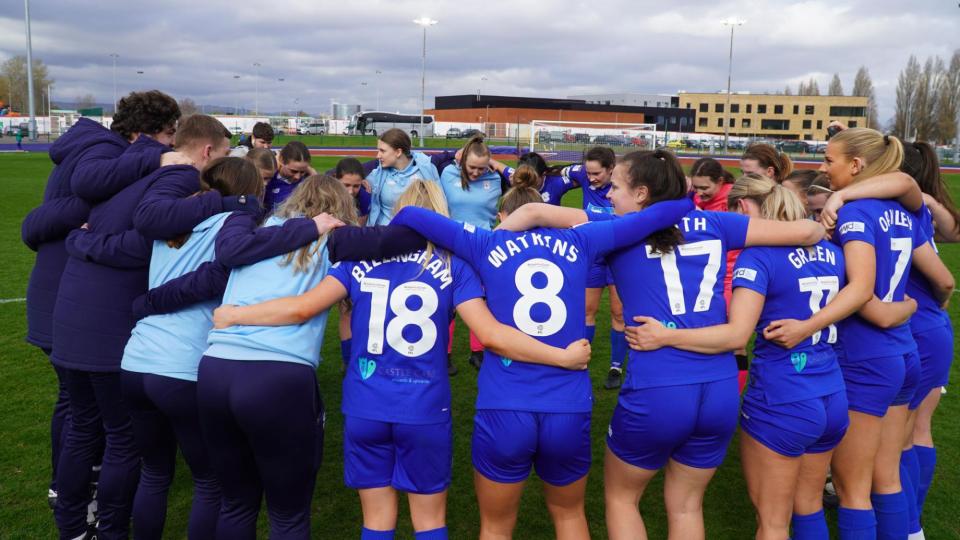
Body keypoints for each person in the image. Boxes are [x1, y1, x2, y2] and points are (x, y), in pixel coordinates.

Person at [212, 180, 592, 540]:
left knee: (376, 518)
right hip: (423, 408)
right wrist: (562, 356)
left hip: (366, 406)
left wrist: (235, 314)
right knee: (429, 519)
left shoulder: (357, 261)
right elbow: (490, 335)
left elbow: (300, 309)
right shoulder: (455, 266)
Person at [496, 150, 824, 540]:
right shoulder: (718, 222)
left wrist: (493, 242)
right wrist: (831, 209)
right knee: (687, 505)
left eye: (616, 187)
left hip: (659, 385)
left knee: (622, 498)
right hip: (719, 388)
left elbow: (536, 214)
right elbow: (807, 232)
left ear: (641, 193)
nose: (610, 195)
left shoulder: (620, 226)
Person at [388, 154, 697, 539]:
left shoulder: (484, 242)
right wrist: (687, 199)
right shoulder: (582, 239)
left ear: (504, 214)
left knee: (497, 528)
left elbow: (410, 217)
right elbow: (651, 219)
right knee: (569, 517)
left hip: (506, 401)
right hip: (567, 403)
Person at [50, 111, 240, 540]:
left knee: (86, 426)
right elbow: (147, 240)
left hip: (75, 314)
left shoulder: (126, 172)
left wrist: (81, 240)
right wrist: (230, 201)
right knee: (122, 440)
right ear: (207, 151)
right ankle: (111, 531)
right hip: (111, 323)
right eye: (226, 152)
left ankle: (73, 526)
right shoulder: (182, 180)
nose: (228, 161)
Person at [628, 173, 850, 540]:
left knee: (774, 522)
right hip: (831, 390)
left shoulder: (759, 256)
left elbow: (736, 336)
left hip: (784, 396)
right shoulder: (832, 250)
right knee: (808, 505)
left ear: (743, 209)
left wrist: (665, 335)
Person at [20, 89, 187, 521]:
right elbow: (85, 190)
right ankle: (78, 493)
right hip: (73, 297)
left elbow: (52, 215)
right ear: (144, 133)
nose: (171, 145)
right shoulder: (101, 151)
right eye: (168, 134)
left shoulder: (103, 153)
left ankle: (71, 492)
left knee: (78, 408)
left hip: (64, 295)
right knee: (89, 414)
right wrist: (153, 161)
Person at [771, 128, 929, 539]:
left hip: (866, 356)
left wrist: (807, 325)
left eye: (829, 161)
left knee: (852, 489)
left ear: (856, 165)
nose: (822, 168)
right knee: (886, 475)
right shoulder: (899, 204)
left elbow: (863, 294)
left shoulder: (856, 213)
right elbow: (908, 183)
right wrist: (907, 307)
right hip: (901, 352)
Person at [119, 157, 273, 539]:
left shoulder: (174, 222)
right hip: (181, 365)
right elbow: (219, 276)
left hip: (136, 359)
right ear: (249, 190)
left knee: (154, 472)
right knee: (211, 482)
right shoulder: (232, 224)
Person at [197, 175, 355, 539]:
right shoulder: (333, 240)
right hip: (276, 374)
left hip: (216, 368)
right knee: (288, 513)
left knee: (236, 502)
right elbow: (317, 309)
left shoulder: (260, 231)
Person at [900, 142, 958, 527]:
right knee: (918, 430)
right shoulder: (924, 208)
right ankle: (912, 522)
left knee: (899, 439)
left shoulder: (905, 208)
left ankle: (907, 524)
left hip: (911, 329)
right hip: (933, 328)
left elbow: (945, 280)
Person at [439, 135, 503, 373]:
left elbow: (522, 178)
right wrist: (452, 154)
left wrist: (496, 165)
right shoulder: (447, 174)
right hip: (451, 245)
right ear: (463, 161)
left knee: (482, 299)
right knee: (448, 302)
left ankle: (477, 352)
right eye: (472, 167)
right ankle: (444, 354)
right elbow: (423, 161)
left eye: (481, 168)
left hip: (483, 246)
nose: (476, 173)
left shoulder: (495, 178)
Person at [688, 157, 748, 391]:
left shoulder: (734, 199)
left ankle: (734, 390)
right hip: (705, 275)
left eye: (705, 188)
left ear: (720, 181)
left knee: (734, 339)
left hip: (732, 277)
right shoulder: (696, 198)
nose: (700, 193)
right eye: (696, 187)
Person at [366, 128, 440, 226]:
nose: (378, 155)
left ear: (398, 152)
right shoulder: (376, 175)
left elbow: (439, 204)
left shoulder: (426, 170)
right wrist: (361, 182)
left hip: (416, 236)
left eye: (382, 151)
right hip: (386, 235)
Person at [264, 141, 315, 210]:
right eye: (293, 171)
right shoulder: (268, 178)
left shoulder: (307, 182)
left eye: (302, 172)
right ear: (281, 160)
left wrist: (314, 177)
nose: (297, 177)